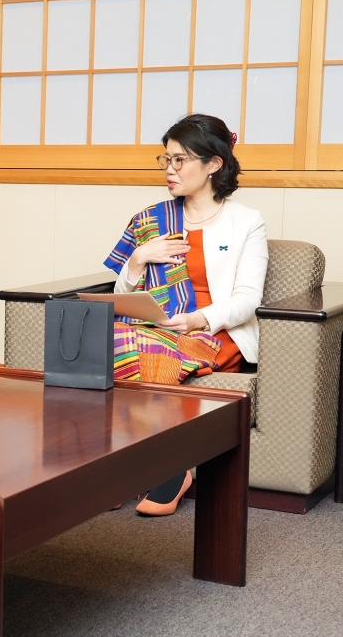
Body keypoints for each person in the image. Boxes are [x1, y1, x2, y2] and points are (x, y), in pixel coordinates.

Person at [104, 113, 268, 516]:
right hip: (157, 325)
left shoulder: (245, 221)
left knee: (142, 347)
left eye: (181, 160)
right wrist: (138, 260)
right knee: (111, 341)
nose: (170, 170)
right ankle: (114, 470)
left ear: (214, 164)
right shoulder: (150, 219)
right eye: (166, 160)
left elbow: (248, 298)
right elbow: (121, 295)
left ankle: (171, 469)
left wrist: (198, 319)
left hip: (217, 330)